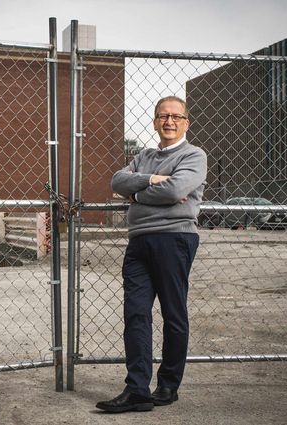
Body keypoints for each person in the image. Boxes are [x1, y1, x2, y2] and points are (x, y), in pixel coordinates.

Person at [96, 96, 207, 413]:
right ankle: (138, 391)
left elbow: (174, 191)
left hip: (174, 240)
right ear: (155, 121)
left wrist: (137, 194)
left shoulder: (194, 155)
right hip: (139, 243)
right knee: (136, 314)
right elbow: (116, 180)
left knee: (173, 314)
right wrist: (150, 180)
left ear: (186, 122)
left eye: (176, 116)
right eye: (163, 116)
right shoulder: (143, 156)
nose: (169, 121)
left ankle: (168, 385)